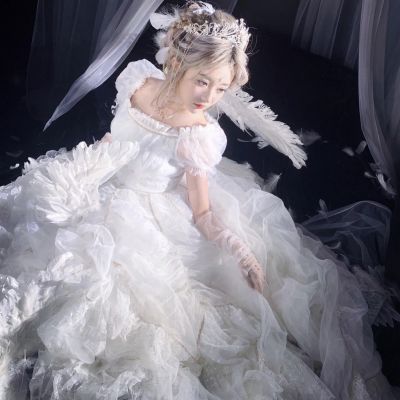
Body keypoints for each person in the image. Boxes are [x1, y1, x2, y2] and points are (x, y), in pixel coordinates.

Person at [0, 1, 398, 399]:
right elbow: (118, 137)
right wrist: (88, 166)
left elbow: (204, 214)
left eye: (221, 88)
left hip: (154, 213)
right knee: (42, 246)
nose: (209, 97)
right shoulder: (137, 80)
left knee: (130, 304)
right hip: (104, 182)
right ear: (176, 64)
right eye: (202, 82)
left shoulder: (197, 134)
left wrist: (241, 252)